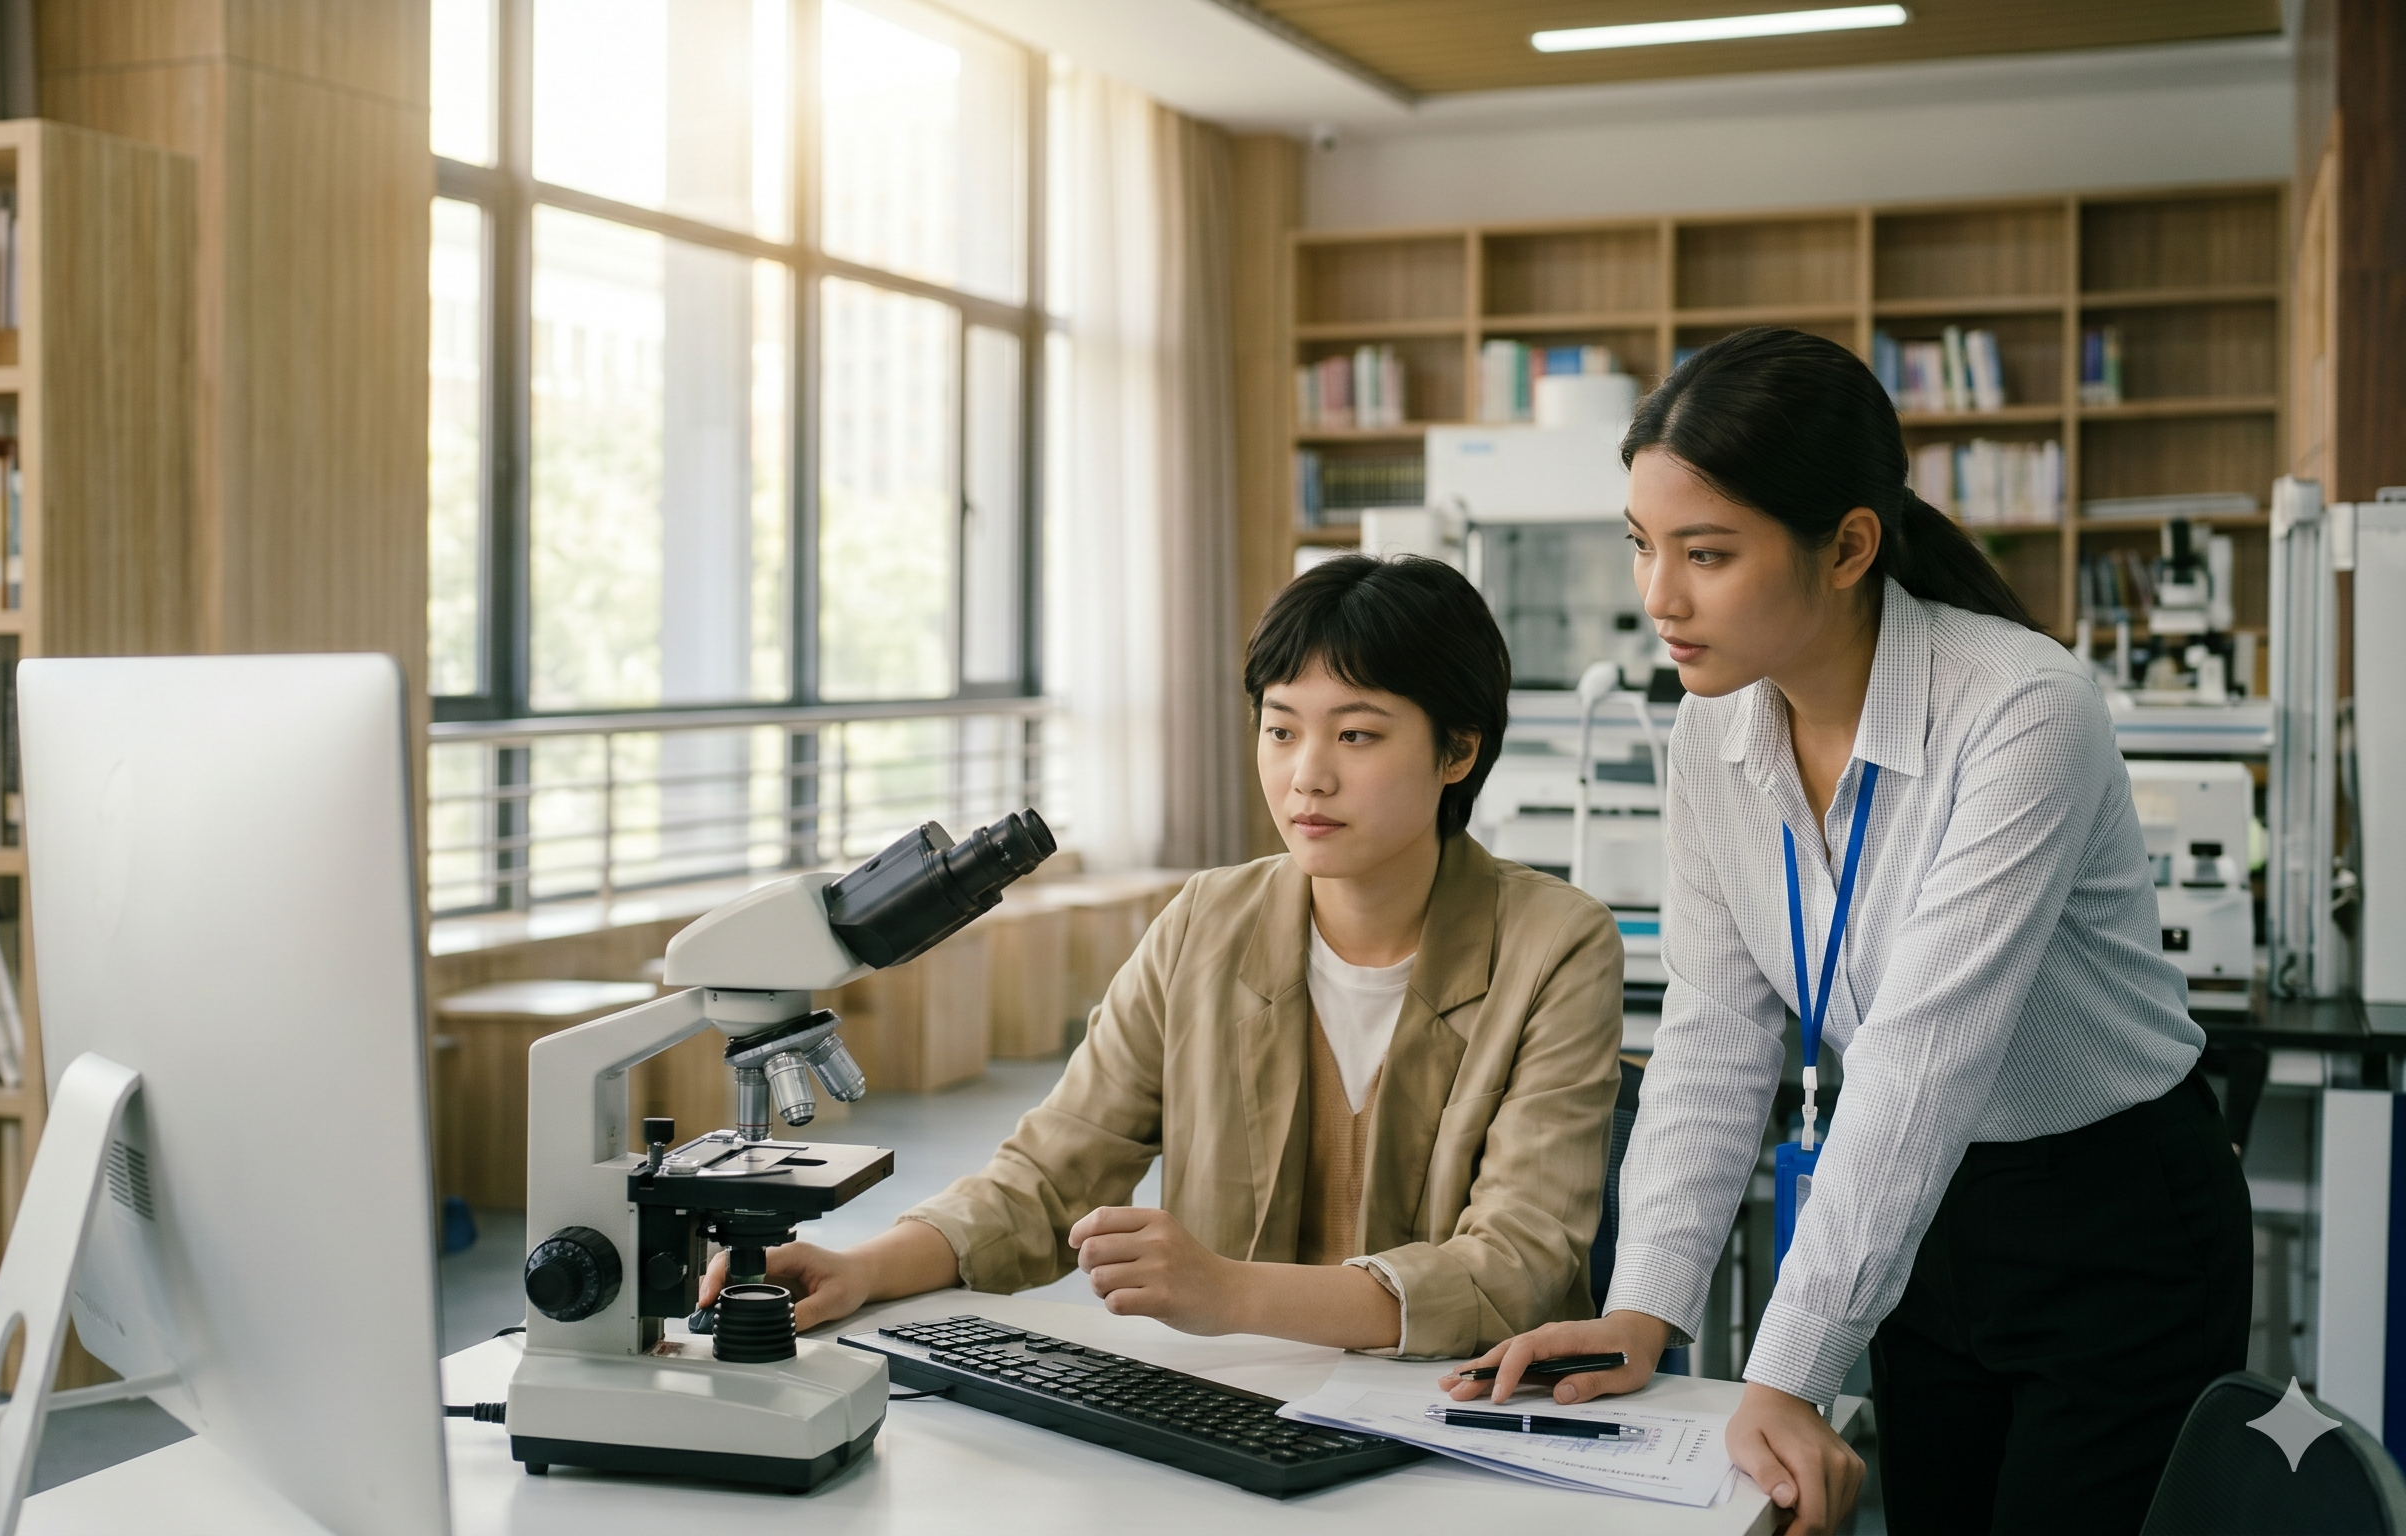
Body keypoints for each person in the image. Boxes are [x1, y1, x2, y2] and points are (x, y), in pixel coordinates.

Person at [1456, 327, 2250, 1536]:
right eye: (1641, 547)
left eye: (1705, 554)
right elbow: (1715, 1038)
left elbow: (1919, 1063)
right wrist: (1644, 1310)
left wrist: (1787, 1371)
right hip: (1916, 1223)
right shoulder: (1708, 736)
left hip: (2107, 1220)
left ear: (1846, 547)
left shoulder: (2019, 708)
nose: (1657, 598)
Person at [702, 554, 1623, 1355]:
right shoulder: (1205, 923)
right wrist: (862, 1268)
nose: (1308, 773)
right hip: (1233, 1405)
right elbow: (1050, 1175)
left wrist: (1229, 1292)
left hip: (1465, 1423)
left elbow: (1516, 1266)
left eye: (1357, 734)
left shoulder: (1557, 945)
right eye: (1281, 727)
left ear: (1458, 749)